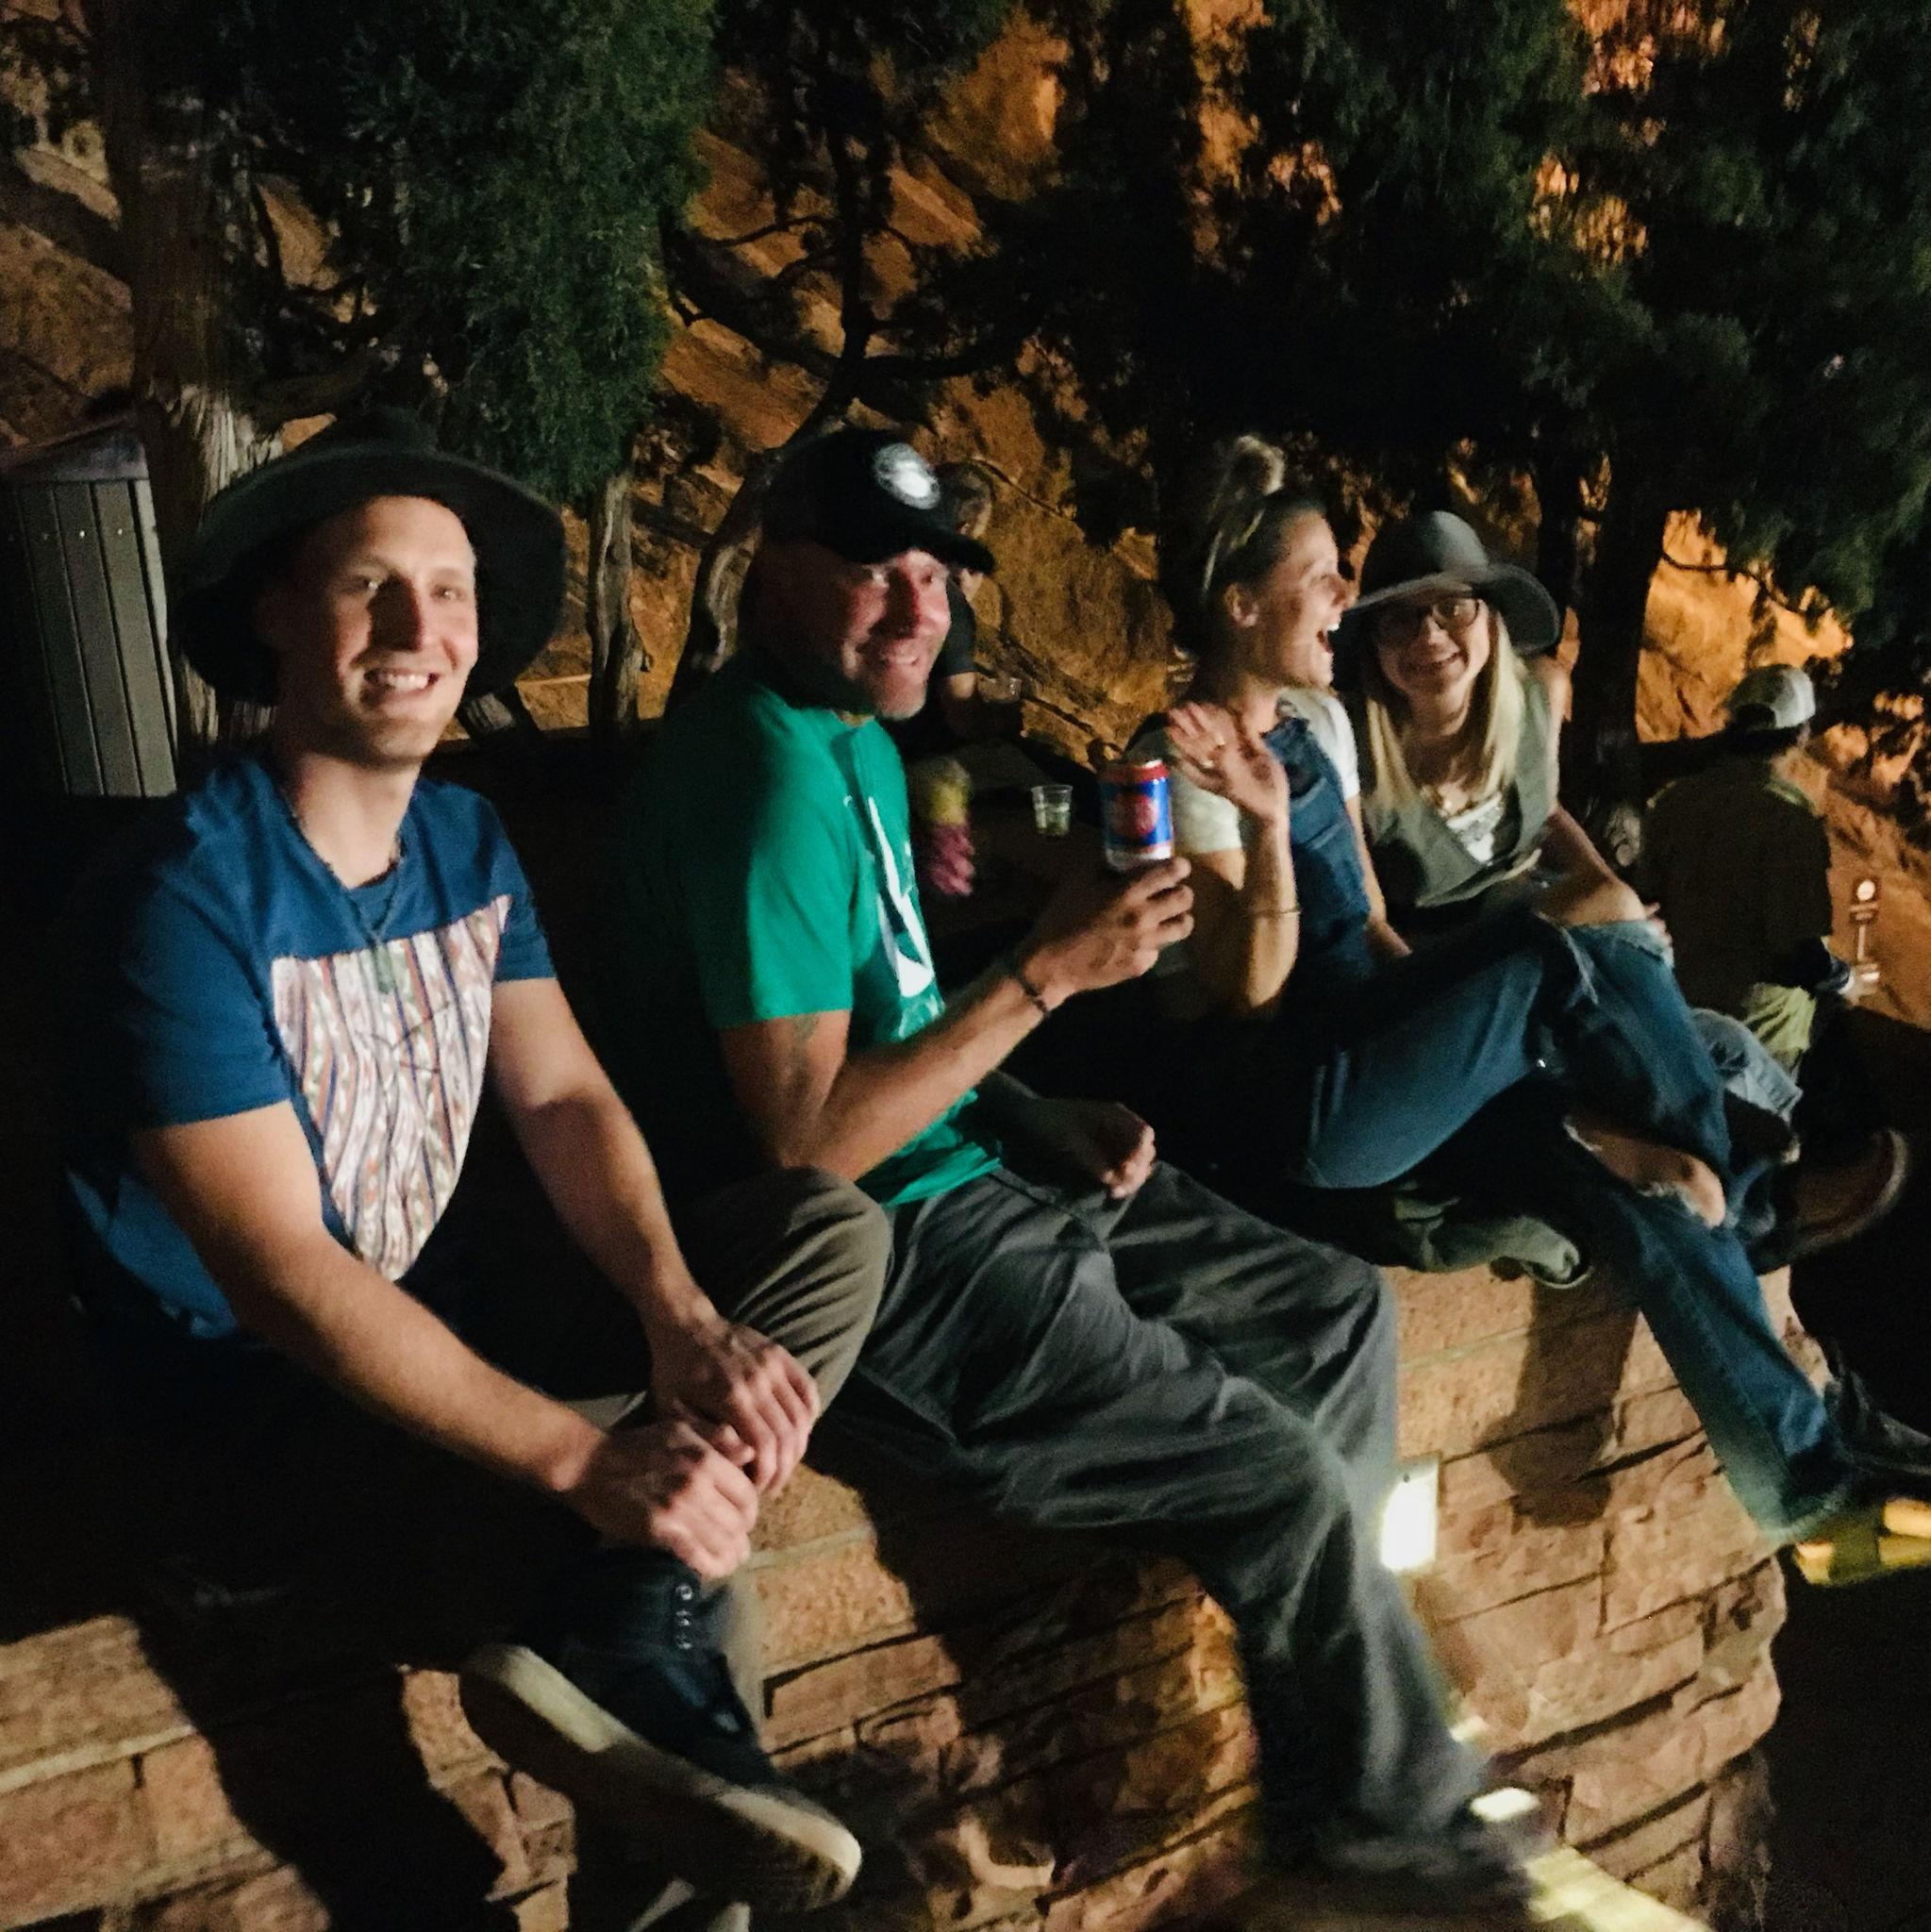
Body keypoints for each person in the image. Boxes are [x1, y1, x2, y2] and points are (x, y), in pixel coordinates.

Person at [604, 425, 1551, 1917]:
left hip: (987, 1169)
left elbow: (901, 1021)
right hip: (899, 1255)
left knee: (1333, 1314)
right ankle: (1383, 1824)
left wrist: (1032, 1110)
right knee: (1285, 1484)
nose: (918, 607)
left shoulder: (853, 738)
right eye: (869, 571)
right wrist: (1044, 978)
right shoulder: (761, 778)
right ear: (768, 573)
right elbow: (802, 1145)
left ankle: (1332, 1729)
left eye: (932, 572)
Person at [58, 411, 888, 1927]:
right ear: (275, 616)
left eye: (446, 593)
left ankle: (626, 1621)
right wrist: (587, 1464)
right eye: (371, 584)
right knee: (699, 1577)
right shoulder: (183, 894)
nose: (418, 628)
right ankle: (631, 1632)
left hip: (442, 1342)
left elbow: (563, 1095)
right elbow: (284, 1278)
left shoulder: (460, 838)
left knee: (820, 1236)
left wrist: (676, 1315)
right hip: (252, 1427)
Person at [1126, 434, 1931, 1586]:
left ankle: (1807, 1485)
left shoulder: (1321, 724)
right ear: (1242, 603)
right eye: (1322, 576)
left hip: (1384, 1054)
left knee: (1644, 1176)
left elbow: (1375, 939)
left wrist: (1485, 1042)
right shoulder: (1175, 758)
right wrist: (1260, 826)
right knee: (1561, 940)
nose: (1344, 600)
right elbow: (1247, 1001)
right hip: (1298, 1103)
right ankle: (1763, 1198)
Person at [1343, 518, 1906, 1253]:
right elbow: (1370, 922)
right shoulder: (1355, 752)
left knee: (1725, 1045)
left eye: (1450, 607)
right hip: (1481, 972)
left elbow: (1544, 815)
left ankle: (1777, 1185)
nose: (1427, 635)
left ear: (1488, 618)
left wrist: (1620, 908)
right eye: (1398, 618)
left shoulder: (1546, 711)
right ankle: (1766, 1205)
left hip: (1595, 953)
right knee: (1674, 1073)